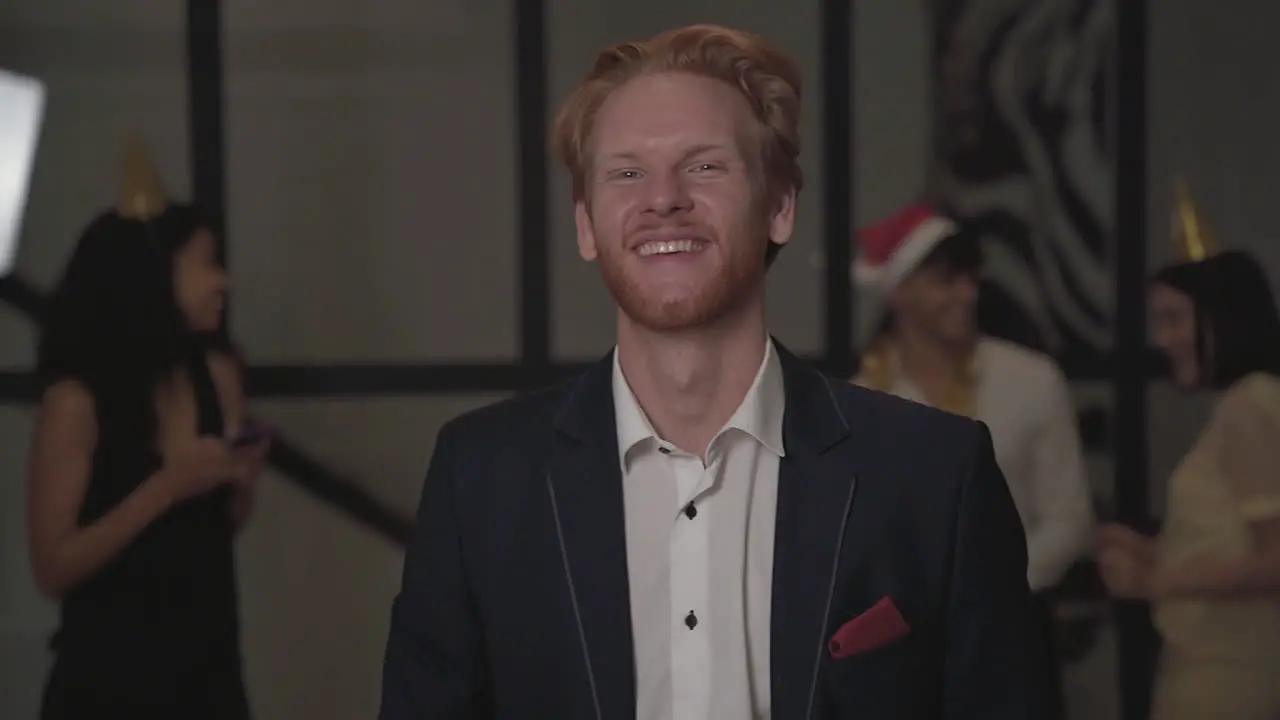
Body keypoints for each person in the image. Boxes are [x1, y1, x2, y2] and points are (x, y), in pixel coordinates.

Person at [380, 24, 1045, 719]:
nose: (662, 198)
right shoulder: (482, 475)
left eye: (704, 166)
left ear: (780, 206)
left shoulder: (936, 474)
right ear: (586, 224)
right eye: (627, 172)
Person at [27, 135, 268, 719]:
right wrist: (167, 486)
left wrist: (239, 479)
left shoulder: (216, 373)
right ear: (156, 276)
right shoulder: (77, 401)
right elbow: (54, 564)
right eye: (207, 264)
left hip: (209, 672)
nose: (223, 282)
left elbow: (217, 530)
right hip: (110, 682)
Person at [852, 203, 1094, 718]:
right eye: (945, 280)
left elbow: (1069, 519)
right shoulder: (861, 400)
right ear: (899, 291)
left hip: (1014, 636)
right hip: (897, 651)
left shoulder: (1031, 379)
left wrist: (983, 590)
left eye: (970, 278)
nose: (967, 293)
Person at [1097, 184, 1280, 720]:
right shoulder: (1240, 407)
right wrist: (1153, 551)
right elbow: (1237, 545)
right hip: (1207, 663)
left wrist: (1157, 581)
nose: (1163, 339)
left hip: (1231, 673)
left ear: (1221, 320)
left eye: (1175, 319)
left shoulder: (1251, 406)